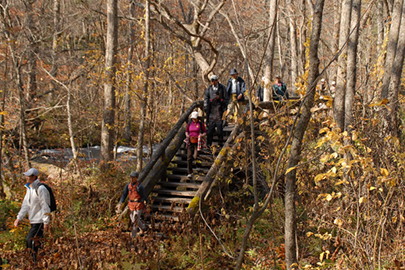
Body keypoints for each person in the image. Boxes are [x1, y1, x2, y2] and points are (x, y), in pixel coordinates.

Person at [14, 168, 51, 263]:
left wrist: (46, 222)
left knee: (30, 240)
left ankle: (34, 262)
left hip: (39, 221)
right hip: (33, 220)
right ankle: (39, 261)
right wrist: (19, 218)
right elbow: (25, 205)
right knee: (37, 242)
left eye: (28, 176)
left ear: (34, 177)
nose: (26, 177)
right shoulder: (29, 189)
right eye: (26, 175)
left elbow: (45, 206)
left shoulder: (41, 189)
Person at [116, 171, 148, 238]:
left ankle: (133, 236)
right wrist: (120, 203)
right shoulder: (128, 186)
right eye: (131, 177)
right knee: (134, 220)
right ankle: (143, 228)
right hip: (130, 205)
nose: (131, 179)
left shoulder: (140, 187)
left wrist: (145, 206)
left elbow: (144, 197)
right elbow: (124, 195)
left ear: (137, 178)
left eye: (133, 178)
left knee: (135, 221)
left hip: (138, 205)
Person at [204, 75, 226, 147]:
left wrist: (221, 101)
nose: (213, 82)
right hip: (211, 112)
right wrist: (206, 107)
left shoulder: (222, 88)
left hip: (220, 111)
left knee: (220, 131)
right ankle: (208, 145)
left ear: (217, 80)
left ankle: (220, 144)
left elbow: (226, 98)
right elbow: (206, 98)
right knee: (210, 131)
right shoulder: (209, 89)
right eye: (212, 81)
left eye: (214, 80)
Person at [185, 111, 206, 178]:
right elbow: (186, 131)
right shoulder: (189, 123)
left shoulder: (200, 124)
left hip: (197, 141)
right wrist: (187, 135)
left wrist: (201, 135)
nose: (193, 120)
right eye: (193, 118)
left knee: (196, 155)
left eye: (195, 118)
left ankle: (198, 166)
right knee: (189, 156)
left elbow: (205, 132)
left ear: (197, 118)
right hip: (190, 140)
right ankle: (189, 172)